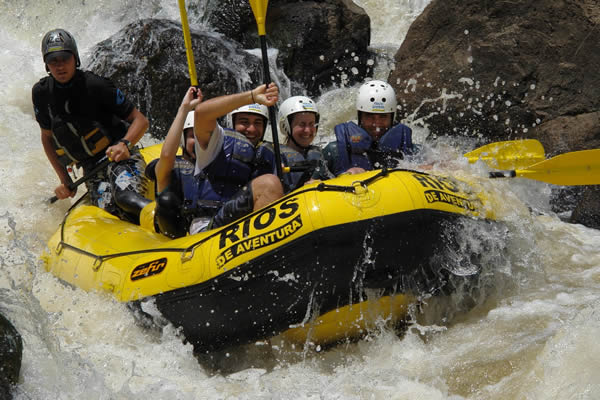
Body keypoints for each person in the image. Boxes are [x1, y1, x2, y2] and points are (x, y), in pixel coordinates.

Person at [32, 29, 150, 223]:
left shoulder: (96, 86)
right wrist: (65, 180)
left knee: (126, 199)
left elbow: (141, 120)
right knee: (111, 214)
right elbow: (47, 137)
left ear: (75, 58)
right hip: (92, 171)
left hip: (122, 159)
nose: (60, 66)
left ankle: (166, 221)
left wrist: (124, 144)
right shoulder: (41, 93)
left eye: (65, 58)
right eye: (54, 60)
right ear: (46, 64)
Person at [150, 84, 283, 238]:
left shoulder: (267, 155)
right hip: (209, 229)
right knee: (269, 183)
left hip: (241, 229)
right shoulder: (217, 143)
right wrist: (252, 96)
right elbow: (201, 114)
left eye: (257, 123)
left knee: (272, 183)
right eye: (244, 122)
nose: (251, 129)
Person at [323, 80, 415, 176]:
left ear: (391, 118)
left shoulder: (409, 148)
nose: (376, 124)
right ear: (360, 117)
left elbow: (428, 164)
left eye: (383, 116)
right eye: (369, 116)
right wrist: (345, 176)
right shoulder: (334, 151)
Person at [277, 95, 334, 192]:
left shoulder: (322, 154)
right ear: (285, 126)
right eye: (302, 124)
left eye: (311, 124)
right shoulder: (276, 159)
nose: (307, 130)